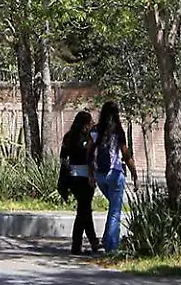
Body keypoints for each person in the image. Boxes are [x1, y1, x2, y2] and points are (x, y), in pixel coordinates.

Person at [59, 110, 102, 254]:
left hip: (72, 177)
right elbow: (90, 158)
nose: (91, 125)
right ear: (85, 124)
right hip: (85, 177)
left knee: (85, 210)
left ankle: (93, 241)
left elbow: (63, 157)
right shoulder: (87, 138)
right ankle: (76, 244)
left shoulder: (68, 137)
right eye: (90, 123)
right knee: (83, 211)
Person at [92, 101, 131, 253]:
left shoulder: (95, 131)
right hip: (115, 174)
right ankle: (112, 246)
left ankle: (106, 240)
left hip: (100, 175)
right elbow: (126, 154)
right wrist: (133, 173)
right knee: (116, 210)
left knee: (113, 208)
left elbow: (89, 153)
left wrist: (91, 174)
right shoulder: (118, 132)